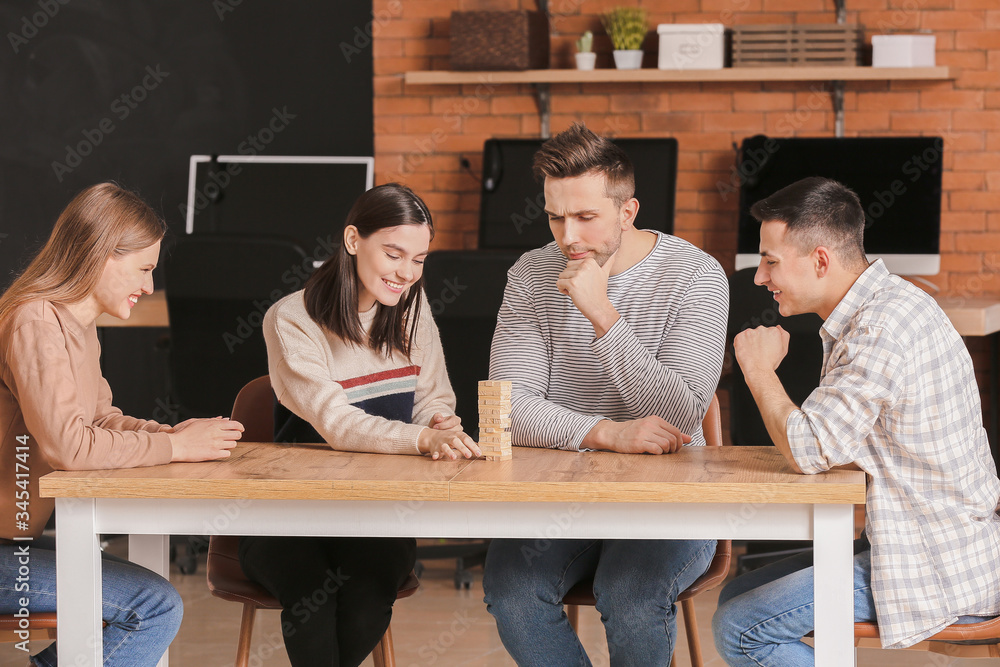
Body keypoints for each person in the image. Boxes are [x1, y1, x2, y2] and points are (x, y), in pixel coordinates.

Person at [712, 176, 1000, 665]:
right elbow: (837, 444)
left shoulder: (879, 328)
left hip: (934, 563)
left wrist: (757, 370)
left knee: (740, 627)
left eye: (771, 261)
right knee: (735, 598)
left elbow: (809, 449)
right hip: (917, 542)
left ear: (820, 260)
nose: (759, 277)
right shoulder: (878, 308)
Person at [483, 123, 729, 666]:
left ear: (628, 211)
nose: (567, 236)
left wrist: (603, 315)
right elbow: (508, 409)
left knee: (632, 593)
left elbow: (681, 414)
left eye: (586, 217)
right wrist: (608, 433)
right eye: (554, 215)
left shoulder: (696, 276)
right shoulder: (530, 274)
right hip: (559, 497)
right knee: (512, 591)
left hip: (669, 500)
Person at [0, 182, 245, 667]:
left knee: (148, 596)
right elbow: (69, 447)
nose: (150, 286)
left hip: (16, 545)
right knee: (151, 606)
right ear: (100, 255)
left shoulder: (76, 325)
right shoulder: (35, 321)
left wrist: (170, 436)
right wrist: (175, 451)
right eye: (145, 268)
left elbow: (99, 419)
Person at [238, 182, 479, 667]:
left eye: (419, 260)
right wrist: (423, 437)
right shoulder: (292, 318)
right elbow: (338, 423)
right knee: (312, 601)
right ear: (353, 240)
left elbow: (432, 395)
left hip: (376, 511)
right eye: (394, 254)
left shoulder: (411, 308)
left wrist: (438, 421)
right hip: (288, 513)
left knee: (367, 596)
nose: (406, 273)